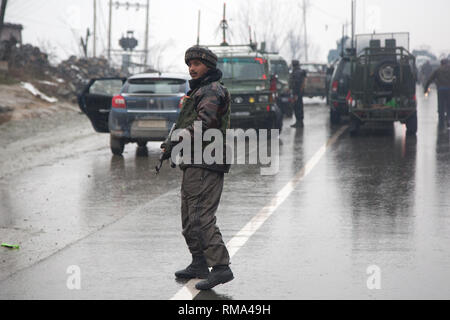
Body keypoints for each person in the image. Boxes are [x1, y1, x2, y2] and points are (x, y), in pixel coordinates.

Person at [161, 46, 234, 291]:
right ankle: (199, 263)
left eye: (197, 64)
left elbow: (205, 124)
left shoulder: (212, 90)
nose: (192, 68)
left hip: (207, 160)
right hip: (196, 160)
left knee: (200, 216)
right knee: (189, 216)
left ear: (209, 67)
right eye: (189, 64)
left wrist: (175, 140)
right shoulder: (200, 90)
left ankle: (221, 267)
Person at [424, 59, 450, 126]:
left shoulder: (437, 70)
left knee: (441, 106)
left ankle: (441, 122)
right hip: (448, 90)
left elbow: (430, 79)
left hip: (441, 90)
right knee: (448, 105)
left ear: (441, 64)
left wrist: (426, 88)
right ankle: (448, 119)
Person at [289, 60, 307, 128]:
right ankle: (299, 122)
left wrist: (296, 94)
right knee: (299, 107)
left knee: (297, 107)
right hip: (299, 93)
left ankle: (299, 122)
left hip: (297, 93)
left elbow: (296, 84)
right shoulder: (300, 71)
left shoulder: (296, 73)